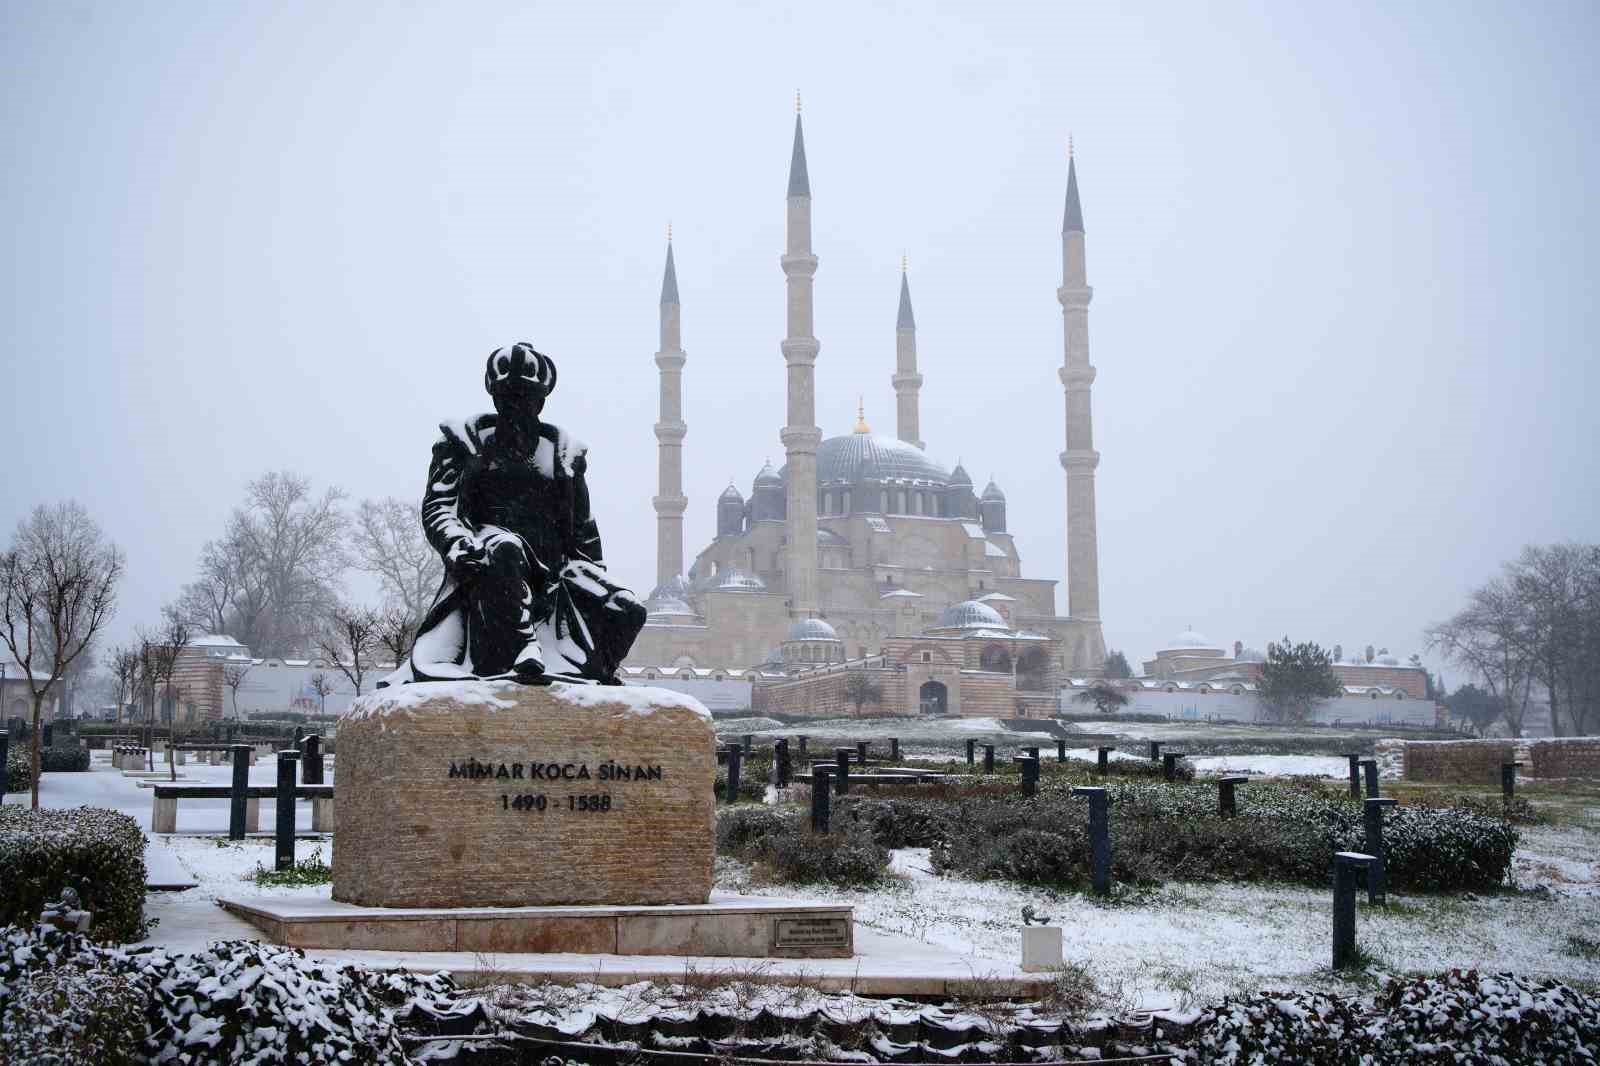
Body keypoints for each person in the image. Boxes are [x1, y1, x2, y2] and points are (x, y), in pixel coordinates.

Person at [384, 343, 645, 686]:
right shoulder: (463, 443)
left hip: (555, 573)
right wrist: (457, 542)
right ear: (495, 397)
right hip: (489, 558)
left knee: (628, 608)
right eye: (508, 396)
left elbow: (583, 531)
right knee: (507, 547)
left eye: (526, 396)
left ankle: (595, 675)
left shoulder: (564, 456)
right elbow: (439, 507)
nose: (517, 405)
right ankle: (522, 650)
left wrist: (593, 582)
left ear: (541, 400)